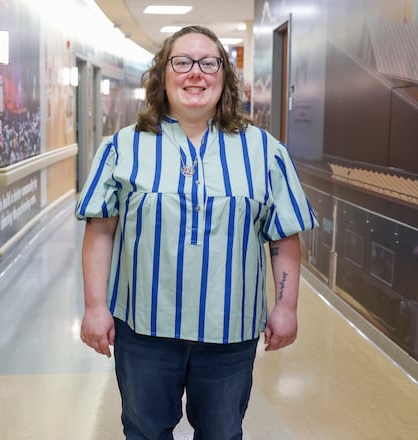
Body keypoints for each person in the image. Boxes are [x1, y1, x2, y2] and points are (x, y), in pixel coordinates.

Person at [76, 25, 316, 440]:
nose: (195, 73)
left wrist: (286, 305)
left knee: (222, 433)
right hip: (144, 332)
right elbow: (100, 230)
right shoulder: (123, 148)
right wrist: (95, 306)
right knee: (144, 432)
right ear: (162, 75)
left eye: (209, 63)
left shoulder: (264, 151)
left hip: (229, 334)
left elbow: (284, 236)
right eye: (182, 62)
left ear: (225, 77)